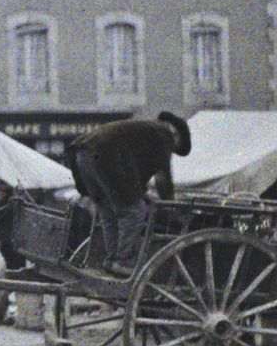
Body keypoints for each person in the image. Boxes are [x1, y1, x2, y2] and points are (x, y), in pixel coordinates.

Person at [68, 112, 192, 274]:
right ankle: (125, 262)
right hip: (105, 155)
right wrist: (171, 205)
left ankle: (111, 260)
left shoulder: (144, 131)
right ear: (177, 136)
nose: (171, 151)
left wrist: (143, 194)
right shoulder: (165, 134)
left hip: (82, 153)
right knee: (134, 212)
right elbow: (163, 178)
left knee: (108, 213)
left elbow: (133, 175)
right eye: (175, 149)